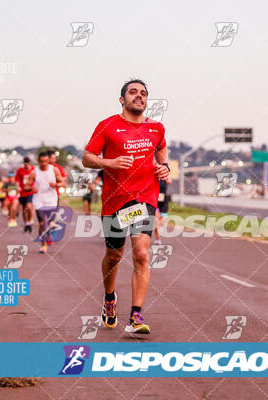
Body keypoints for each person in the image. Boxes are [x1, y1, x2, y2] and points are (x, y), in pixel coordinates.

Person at [82, 79, 169, 334]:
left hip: (145, 198)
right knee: (114, 255)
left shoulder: (157, 128)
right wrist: (109, 163)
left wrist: (165, 167)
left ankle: (135, 316)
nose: (139, 96)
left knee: (142, 254)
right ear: (122, 99)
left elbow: (162, 149)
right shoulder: (107, 126)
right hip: (114, 202)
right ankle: (109, 298)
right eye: (133, 92)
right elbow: (87, 158)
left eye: (143, 93)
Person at [25, 152, 65, 253]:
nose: (44, 164)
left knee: (51, 222)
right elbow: (26, 186)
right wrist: (31, 188)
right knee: (42, 222)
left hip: (51, 200)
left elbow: (63, 183)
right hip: (39, 200)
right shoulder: (34, 172)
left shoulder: (54, 170)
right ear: (38, 161)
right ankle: (43, 245)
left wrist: (56, 185)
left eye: (46, 161)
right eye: (42, 161)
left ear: (48, 161)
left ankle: (49, 234)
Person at [16, 157, 35, 233]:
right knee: (24, 209)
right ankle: (27, 224)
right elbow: (17, 181)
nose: (26, 166)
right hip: (22, 192)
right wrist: (18, 187)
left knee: (29, 206)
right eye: (25, 164)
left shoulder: (33, 170)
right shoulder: (20, 170)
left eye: (28, 164)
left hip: (30, 192)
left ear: (30, 163)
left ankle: (30, 220)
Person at [153, 177, 171, 244]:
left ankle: (158, 231)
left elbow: (169, 181)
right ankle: (158, 238)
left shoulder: (164, 174)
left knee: (163, 221)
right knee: (156, 219)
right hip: (155, 199)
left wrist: (165, 178)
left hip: (163, 200)